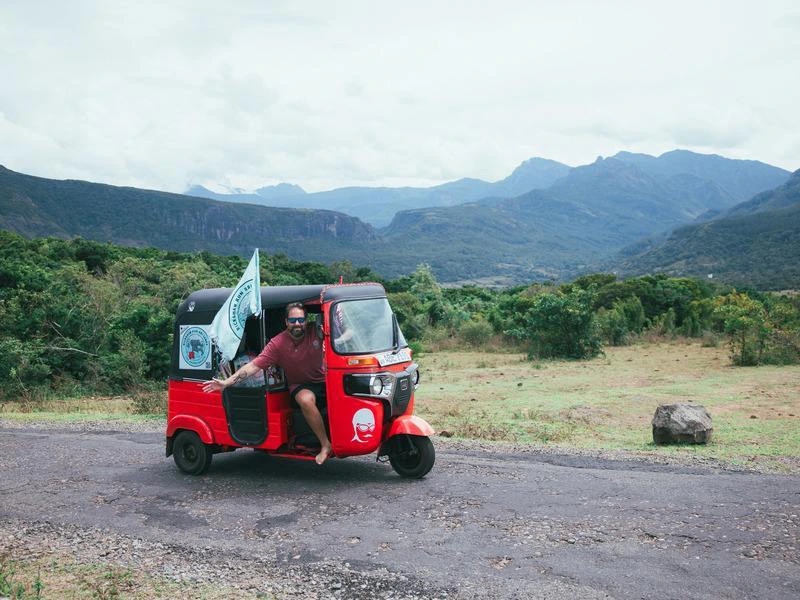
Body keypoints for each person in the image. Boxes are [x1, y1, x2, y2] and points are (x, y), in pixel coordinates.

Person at [202, 302, 332, 465]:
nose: (297, 324)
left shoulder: (317, 330)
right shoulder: (278, 343)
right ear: (286, 322)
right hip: (300, 385)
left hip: (325, 380)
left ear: (306, 321)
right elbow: (253, 366)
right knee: (305, 400)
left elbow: (343, 334)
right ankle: (325, 445)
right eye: (293, 320)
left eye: (301, 320)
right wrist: (226, 382)